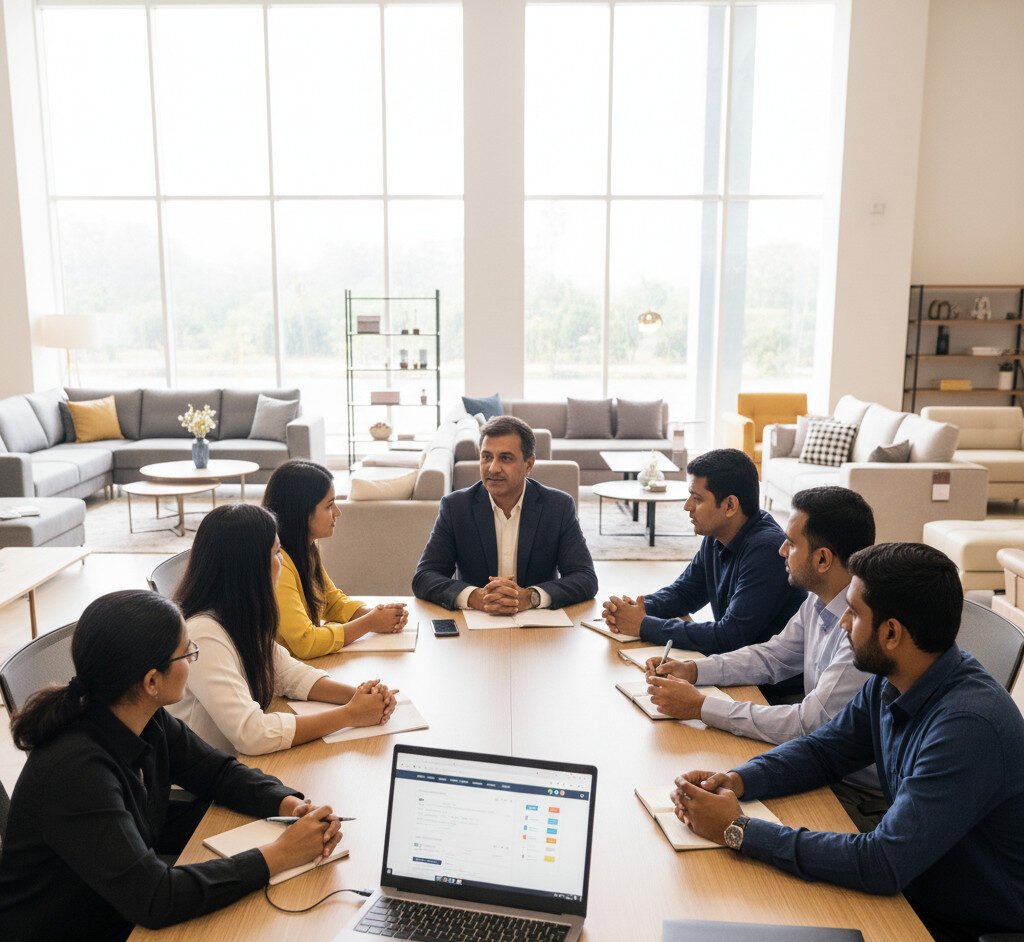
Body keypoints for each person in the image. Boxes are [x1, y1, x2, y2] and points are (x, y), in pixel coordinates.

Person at [670, 543, 1024, 941]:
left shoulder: (967, 728)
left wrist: (739, 829)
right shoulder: (893, 679)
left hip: (956, 924)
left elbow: (882, 861)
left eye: (853, 613)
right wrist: (738, 779)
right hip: (915, 886)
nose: (841, 624)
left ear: (891, 633)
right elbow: (824, 751)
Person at [0, 590, 346, 942]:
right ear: (151, 681)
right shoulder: (76, 771)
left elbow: (218, 773)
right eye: (188, 652)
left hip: (112, 909)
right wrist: (279, 854)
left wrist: (286, 804)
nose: (194, 658)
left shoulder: (144, 718)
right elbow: (155, 898)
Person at [645, 486, 883, 822]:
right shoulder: (819, 599)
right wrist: (693, 670)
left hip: (853, 794)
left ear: (823, 559)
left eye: (792, 543)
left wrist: (700, 706)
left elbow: (807, 724)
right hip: (815, 765)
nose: (782, 550)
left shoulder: (859, 632)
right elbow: (771, 657)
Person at [168, 503, 397, 755]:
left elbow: (287, 674)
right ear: (250, 567)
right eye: (277, 553)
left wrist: (360, 697)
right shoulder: (204, 635)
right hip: (204, 784)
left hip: (234, 765)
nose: (281, 561)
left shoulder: (237, 615)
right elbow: (252, 734)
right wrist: (349, 715)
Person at [602, 448, 805, 655]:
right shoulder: (717, 534)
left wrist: (643, 625)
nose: (687, 506)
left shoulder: (767, 550)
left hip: (764, 685)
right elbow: (685, 593)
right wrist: (638, 608)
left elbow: (730, 637)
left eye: (697, 499)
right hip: (735, 668)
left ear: (730, 505)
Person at [413, 415, 597, 612]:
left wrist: (531, 597)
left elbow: (585, 577)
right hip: (475, 626)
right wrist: (475, 597)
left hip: (538, 625)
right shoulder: (456, 507)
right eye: (487, 457)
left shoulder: (558, 507)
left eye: (505, 458)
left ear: (529, 464)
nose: (493, 468)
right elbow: (425, 576)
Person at [263, 459, 409, 658]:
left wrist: (380, 615)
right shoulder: (277, 564)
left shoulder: (305, 548)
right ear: (301, 512)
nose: (337, 512)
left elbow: (332, 602)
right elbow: (306, 642)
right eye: (329, 505)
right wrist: (369, 623)